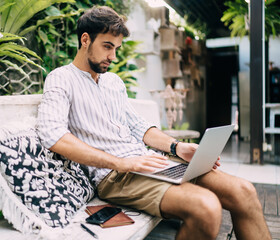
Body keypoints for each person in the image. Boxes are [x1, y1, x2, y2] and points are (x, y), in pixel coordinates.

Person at [37, 6, 271, 240]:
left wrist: (176, 147)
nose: (113, 57)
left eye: (116, 49)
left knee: (244, 191)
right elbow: (53, 135)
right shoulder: (61, 78)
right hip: (115, 176)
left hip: (149, 161)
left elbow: (139, 127)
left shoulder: (113, 82)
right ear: (85, 40)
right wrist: (122, 163)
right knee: (206, 207)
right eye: (107, 46)